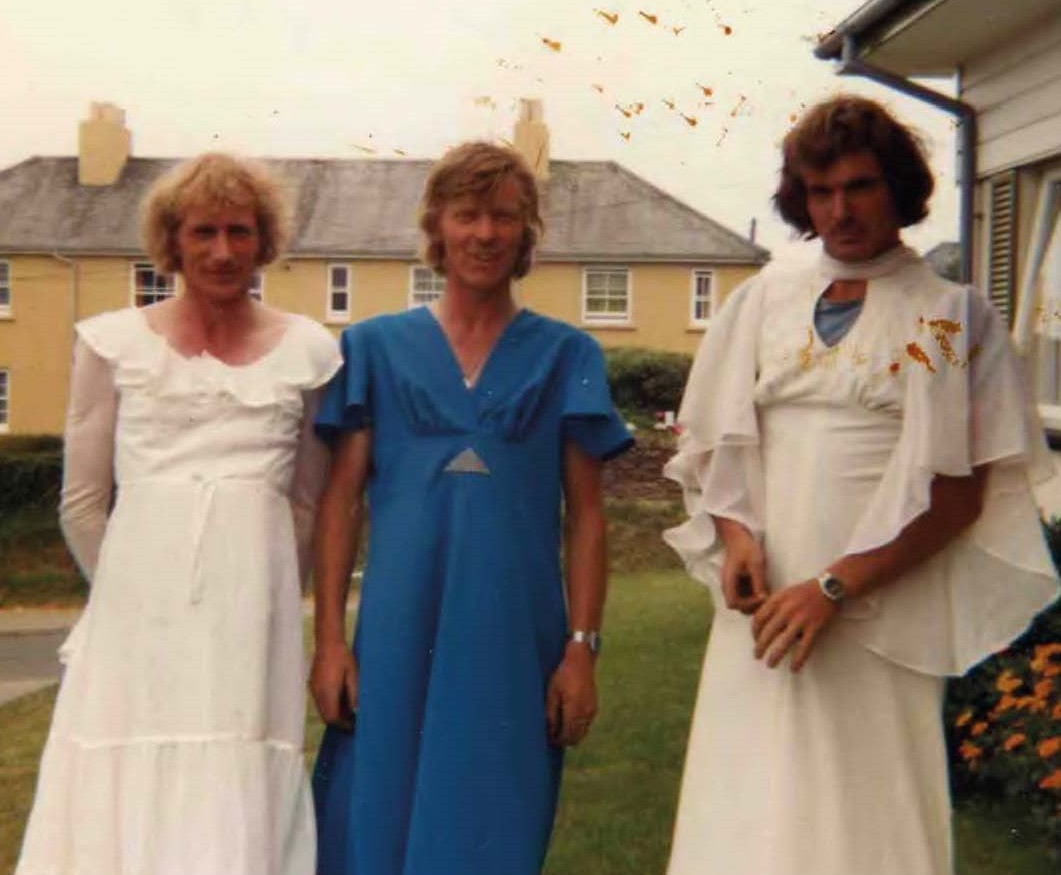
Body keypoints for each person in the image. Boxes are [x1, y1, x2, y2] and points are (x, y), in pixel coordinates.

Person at [663, 95, 1060, 875]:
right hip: (765, 607)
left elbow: (953, 492)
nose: (839, 211)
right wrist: (737, 538)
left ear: (898, 189)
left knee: (864, 806)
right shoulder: (760, 302)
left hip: (874, 609)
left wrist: (833, 588)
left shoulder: (942, 318)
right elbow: (715, 440)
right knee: (748, 794)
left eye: (859, 186)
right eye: (820, 192)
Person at [309, 141, 632, 875]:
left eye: (503, 217)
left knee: (492, 824)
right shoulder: (373, 348)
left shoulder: (566, 356)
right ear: (437, 226)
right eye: (467, 215)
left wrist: (581, 649)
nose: (484, 234)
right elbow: (339, 503)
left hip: (512, 641)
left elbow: (586, 517)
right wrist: (331, 641)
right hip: (394, 633)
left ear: (525, 232)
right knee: (369, 823)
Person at [16, 154, 340, 875]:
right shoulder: (112, 344)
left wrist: (252, 592)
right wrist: (133, 596)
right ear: (173, 241)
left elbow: (304, 503)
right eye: (203, 233)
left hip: (249, 621)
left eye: (239, 232)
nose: (222, 251)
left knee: (236, 768)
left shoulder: (312, 353)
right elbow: (83, 504)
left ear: (264, 241)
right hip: (136, 616)